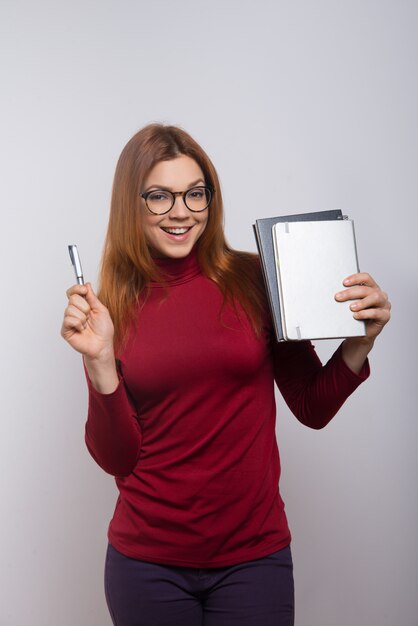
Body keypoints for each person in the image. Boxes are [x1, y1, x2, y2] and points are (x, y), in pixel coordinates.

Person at [61, 124, 391, 626]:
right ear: (131, 203)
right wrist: (100, 362)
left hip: (254, 558)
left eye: (196, 193)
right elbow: (117, 457)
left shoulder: (256, 278)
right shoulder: (110, 308)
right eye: (159, 196)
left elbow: (312, 406)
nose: (181, 211)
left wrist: (359, 341)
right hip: (146, 564)